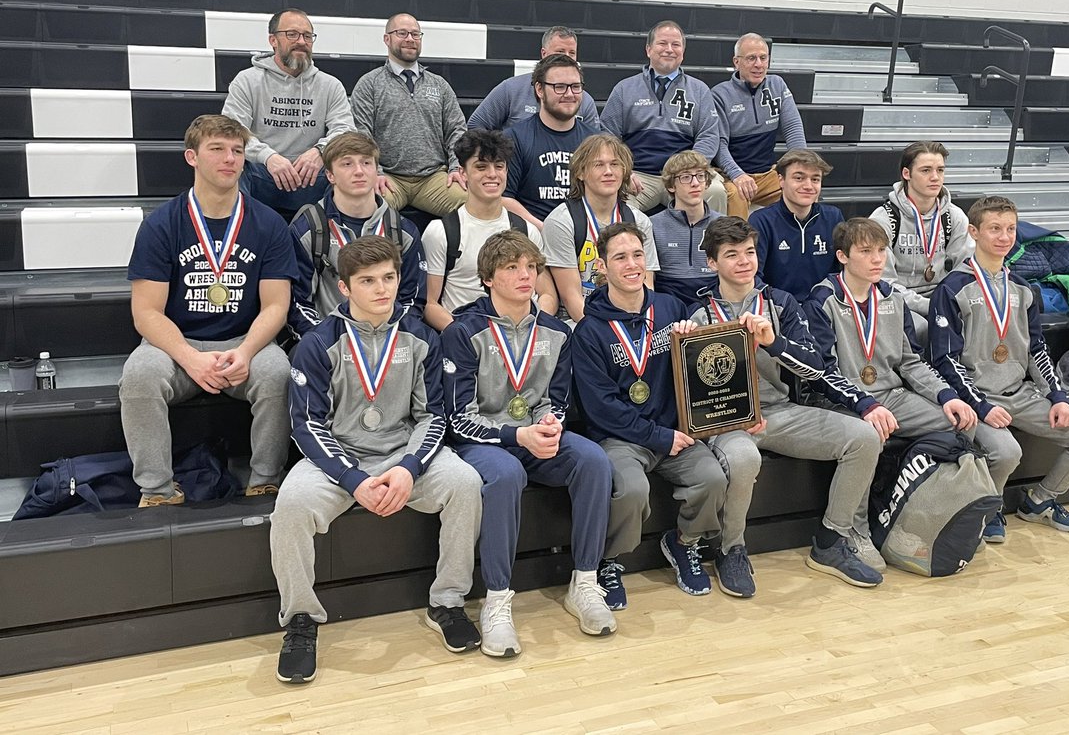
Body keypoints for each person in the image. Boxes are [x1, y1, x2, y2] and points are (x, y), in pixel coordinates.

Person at [272, 236, 484, 684]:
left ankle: (447, 601)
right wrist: (352, 480)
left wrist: (409, 468)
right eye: (367, 281)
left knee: (464, 483)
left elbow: (434, 415)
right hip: (338, 460)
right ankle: (301, 620)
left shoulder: (420, 335)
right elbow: (308, 426)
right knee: (290, 505)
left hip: (402, 452)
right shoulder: (317, 342)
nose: (381, 289)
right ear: (345, 288)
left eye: (388, 277)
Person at [693, 216, 894, 588]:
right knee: (744, 457)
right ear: (711, 262)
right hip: (725, 422)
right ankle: (730, 549)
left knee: (865, 438)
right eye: (731, 254)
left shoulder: (780, 302)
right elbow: (689, 390)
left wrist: (774, 343)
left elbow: (816, 367)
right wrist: (733, 416)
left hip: (780, 414)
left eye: (750, 252)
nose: (744, 261)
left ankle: (833, 540)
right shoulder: (694, 310)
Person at [442, 230, 615, 657]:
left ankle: (586, 582)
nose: (526, 276)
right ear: (487, 277)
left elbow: (554, 401)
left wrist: (549, 426)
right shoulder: (462, 331)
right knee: (506, 473)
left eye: (532, 268)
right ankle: (497, 600)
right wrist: (516, 435)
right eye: (511, 268)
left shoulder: (557, 331)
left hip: (530, 435)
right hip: (482, 441)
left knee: (593, 459)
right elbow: (457, 419)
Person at [571, 222, 762, 607]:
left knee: (711, 478)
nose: (631, 264)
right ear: (603, 269)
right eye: (620, 257)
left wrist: (735, 413)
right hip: (621, 438)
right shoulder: (589, 331)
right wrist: (659, 437)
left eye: (637, 255)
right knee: (632, 489)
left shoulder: (672, 309)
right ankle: (609, 560)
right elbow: (601, 407)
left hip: (675, 432)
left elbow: (707, 373)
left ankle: (683, 542)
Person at [120, 114, 296, 506]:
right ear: (192, 158)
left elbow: (276, 305)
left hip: (240, 343)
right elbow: (146, 313)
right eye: (217, 149)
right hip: (174, 347)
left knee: (278, 372)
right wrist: (189, 358)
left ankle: (265, 480)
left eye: (237, 151)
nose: (230, 159)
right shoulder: (162, 224)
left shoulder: (268, 223)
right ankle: (158, 491)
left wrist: (247, 352)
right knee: (139, 375)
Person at [806, 218, 1021, 520]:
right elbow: (824, 373)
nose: (877, 259)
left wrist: (947, 396)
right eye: (866, 251)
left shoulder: (893, 298)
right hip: (843, 401)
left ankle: (933, 511)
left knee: (961, 421)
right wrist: (865, 405)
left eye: (881, 250)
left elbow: (911, 362)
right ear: (842, 257)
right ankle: (859, 526)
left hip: (891, 395)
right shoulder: (822, 301)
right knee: (869, 436)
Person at [929, 196, 1069, 542]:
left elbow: (1037, 349)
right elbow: (944, 360)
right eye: (994, 228)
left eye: (1010, 229)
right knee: (1007, 452)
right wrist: (981, 406)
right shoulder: (952, 288)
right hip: (976, 399)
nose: (1004, 236)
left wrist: (1057, 397)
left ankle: (1040, 501)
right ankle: (991, 506)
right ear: (974, 232)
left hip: (1021, 395)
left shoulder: (1024, 290)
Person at [288, 132, 425, 338]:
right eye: (347, 164)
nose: (359, 171)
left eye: (366, 163)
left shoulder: (402, 231)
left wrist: (391, 339)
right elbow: (297, 304)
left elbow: (411, 301)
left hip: (389, 341)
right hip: (331, 342)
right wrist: (323, 341)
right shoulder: (309, 229)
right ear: (330, 175)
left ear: (376, 170)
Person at [221, 8, 354, 216]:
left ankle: (335, 239)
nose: (301, 41)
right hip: (262, 174)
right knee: (233, 166)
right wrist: (269, 157)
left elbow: (345, 131)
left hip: (311, 176)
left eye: (307, 36)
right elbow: (232, 132)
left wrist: (320, 151)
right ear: (273, 40)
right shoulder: (247, 81)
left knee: (347, 167)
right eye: (292, 34)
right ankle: (240, 237)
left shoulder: (330, 85)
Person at [422, 129, 557, 331]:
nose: (492, 174)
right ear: (462, 173)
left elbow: (547, 294)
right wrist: (463, 336)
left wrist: (534, 326)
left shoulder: (527, 230)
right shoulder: (441, 232)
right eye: (481, 167)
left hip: (524, 335)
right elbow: (430, 304)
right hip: (469, 336)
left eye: (499, 166)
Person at [599, 20, 726, 213]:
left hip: (683, 174)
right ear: (649, 49)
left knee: (716, 191)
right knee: (616, 201)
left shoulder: (699, 90)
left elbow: (709, 136)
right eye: (662, 43)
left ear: (682, 52)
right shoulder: (624, 89)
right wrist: (623, 171)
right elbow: (607, 136)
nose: (669, 49)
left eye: (675, 45)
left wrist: (690, 170)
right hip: (639, 175)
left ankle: (713, 243)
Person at [350, 13, 468, 215]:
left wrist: (456, 167)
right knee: (366, 207)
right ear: (387, 39)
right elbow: (362, 135)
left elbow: (457, 129)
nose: (410, 39)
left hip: (433, 178)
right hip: (388, 178)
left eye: (415, 34)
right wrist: (374, 172)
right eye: (402, 33)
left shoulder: (438, 84)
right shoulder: (369, 84)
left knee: (474, 203)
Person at [542, 134, 660, 324]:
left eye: (615, 164)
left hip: (632, 319)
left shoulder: (639, 221)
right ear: (580, 173)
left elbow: (647, 286)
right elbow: (571, 297)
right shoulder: (561, 221)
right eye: (598, 165)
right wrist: (604, 335)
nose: (608, 172)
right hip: (581, 321)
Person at [868, 142, 974, 342]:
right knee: (923, 328)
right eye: (926, 170)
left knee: (979, 317)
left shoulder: (953, 216)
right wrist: (931, 306)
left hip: (943, 296)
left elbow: (967, 269)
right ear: (906, 173)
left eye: (940, 170)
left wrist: (948, 301)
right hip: (897, 300)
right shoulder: (884, 219)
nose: (935, 177)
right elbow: (883, 282)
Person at [712, 33, 807, 220]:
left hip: (767, 174)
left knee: (803, 188)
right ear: (736, 62)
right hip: (733, 176)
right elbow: (719, 144)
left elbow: (793, 128)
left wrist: (801, 167)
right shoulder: (719, 94)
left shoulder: (777, 85)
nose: (758, 64)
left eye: (763, 58)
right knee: (736, 196)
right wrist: (737, 175)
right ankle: (739, 247)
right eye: (751, 58)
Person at [500, 53, 600, 227]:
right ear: (540, 90)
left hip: (584, 236)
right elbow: (504, 198)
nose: (570, 94)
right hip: (531, 237)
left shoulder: (594, 141)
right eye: (560, 87)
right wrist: (545, 230)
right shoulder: (514, 138)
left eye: (575, 87)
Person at [748, 149, 843, 302]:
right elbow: (754, 278)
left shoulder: (833, 217)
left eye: (815, 179)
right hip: (779, 309)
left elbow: (843, 271)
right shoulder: (761, 221)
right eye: (799, 178)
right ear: (781, 180)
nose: (808, 186)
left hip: (823, 308)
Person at [468, 26, 602, 131]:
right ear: (544, 53)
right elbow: (476, 125)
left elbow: (594, 146)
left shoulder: (585, 101)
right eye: (560, 51)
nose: (566, 57)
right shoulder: (511, 89)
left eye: (571, 53)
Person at [651, 150, 722, 305]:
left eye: (700, 175)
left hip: (714, 301)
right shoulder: (652, 225)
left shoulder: (722, 224)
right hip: (668, 301)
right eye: (686, 177)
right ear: (671, 186)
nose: (695, 183)